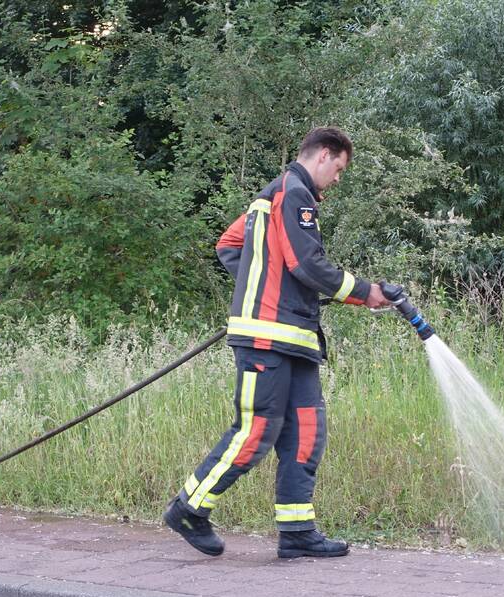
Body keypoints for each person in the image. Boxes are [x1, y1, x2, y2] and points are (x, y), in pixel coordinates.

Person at [164, 127, 391, 559]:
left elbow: (232, 244)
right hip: (267, 338)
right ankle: (189, 508)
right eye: (339, 169)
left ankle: (297, 532)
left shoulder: (273, 197)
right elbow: (308, 262)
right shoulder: (292, 193)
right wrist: (366, 293)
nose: (338, 180)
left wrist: (266, 281)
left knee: (307, 430)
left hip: (296, 337)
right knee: (257, 430)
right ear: (323, 156)